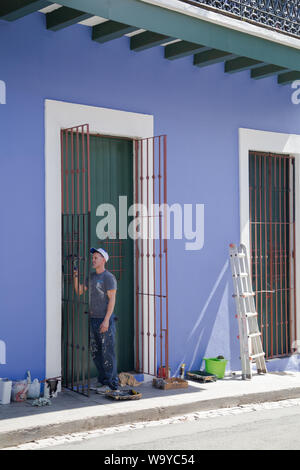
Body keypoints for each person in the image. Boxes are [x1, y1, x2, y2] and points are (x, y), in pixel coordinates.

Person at [73, 247, 119, 390]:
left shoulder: (108, 277)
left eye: (96, 258)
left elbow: (112, 300)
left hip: (105, 320)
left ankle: (111, 383)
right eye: (93, 258)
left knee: (108, 352)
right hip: (93, 319)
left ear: (103, 260)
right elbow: (79, 291)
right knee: (96, 352)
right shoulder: (92, 277)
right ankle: (102, 380)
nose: (93, 260)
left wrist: (106, 320)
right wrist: (75, 275)